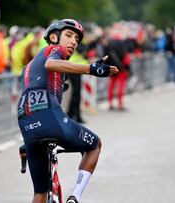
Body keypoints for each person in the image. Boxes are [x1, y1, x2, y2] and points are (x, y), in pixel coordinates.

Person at [17, 19, 118, 203]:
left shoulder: (28, 68)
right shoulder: (56, 50)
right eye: (69, 35)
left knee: (40, 192)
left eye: (77, 39)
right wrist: (90, 69)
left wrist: (28, 140)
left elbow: (29, 97)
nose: (73, 42)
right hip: (49, 118)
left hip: (27, 124)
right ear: (54, 37)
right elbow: (51, 65)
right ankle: (75, 198)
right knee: (95, 145)